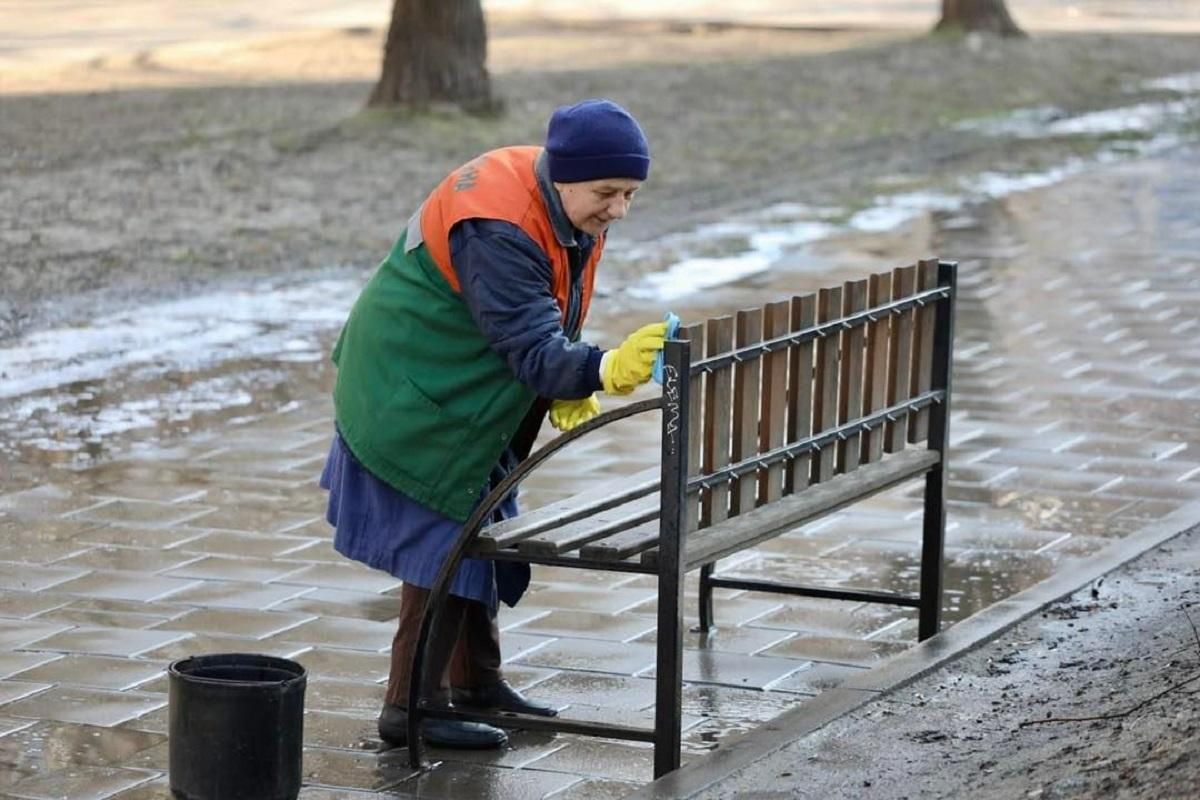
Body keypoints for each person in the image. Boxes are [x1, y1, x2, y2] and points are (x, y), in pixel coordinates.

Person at [319, 99, 668, 751]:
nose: (618, 209)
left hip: (467, 386)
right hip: (416, 388)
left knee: (481, 526)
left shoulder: (562, 201)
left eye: (629, 194)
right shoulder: (498, 224)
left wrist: (568, 372)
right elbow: (531, 343)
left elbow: (551, 303)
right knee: (444, 542)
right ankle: (411, 709)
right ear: (565, 175)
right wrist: (597, 368)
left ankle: (477, 685)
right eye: (607, 193)